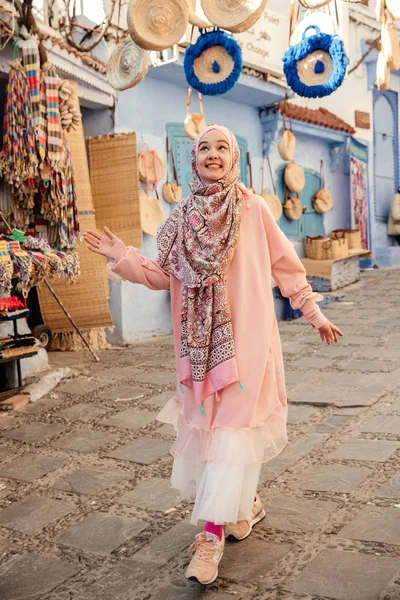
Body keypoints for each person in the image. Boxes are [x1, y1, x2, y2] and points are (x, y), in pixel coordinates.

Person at [84, 125, 343, 586]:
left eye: (222, 147)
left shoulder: (253, 208)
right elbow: (163, 274)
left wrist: (313, 312)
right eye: (204, 148)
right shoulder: (181, 217)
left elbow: (286, 266)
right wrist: (122, 255)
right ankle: (245, 506)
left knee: (231, 431)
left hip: (248, 343)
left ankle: (209, 537)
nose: (213, 154)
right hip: (198, 352)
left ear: (234, 158)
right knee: (217, 435)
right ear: (193, 159)